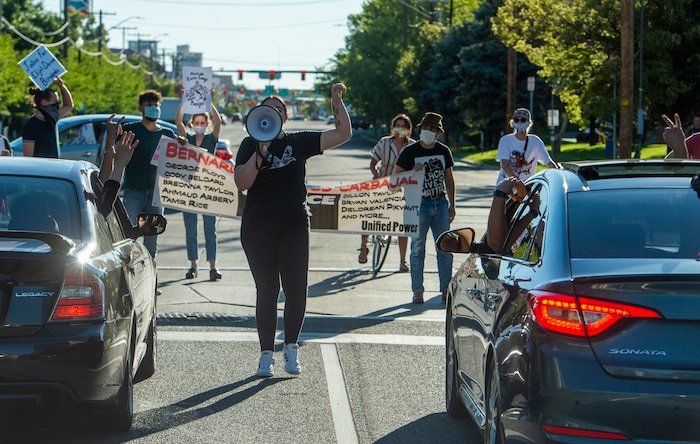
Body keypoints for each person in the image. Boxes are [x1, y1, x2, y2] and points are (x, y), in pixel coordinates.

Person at [234, 83, 352, 378]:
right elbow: (241, 183)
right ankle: (265, 355)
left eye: (277, 109)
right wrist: (259, 152)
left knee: (296, 288)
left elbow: (342, 134)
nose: (271, 112)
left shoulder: (299, 142)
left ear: (284, 117)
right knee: (268, 290)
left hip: (294, 223)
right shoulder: (249, 145)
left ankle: (291, 347)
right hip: (258, 226)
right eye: (266, 108)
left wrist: (336, 101)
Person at [393, 112, 456, 305]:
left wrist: (452, 205)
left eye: (432, 129)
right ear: (420, 130)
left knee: (445, 248)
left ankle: (446, 289)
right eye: (425, 128)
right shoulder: (410, 152)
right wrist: (413, 171)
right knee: (417, 249)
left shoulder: (443, 150)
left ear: (438, 132)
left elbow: (449, 178)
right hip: (419, 204)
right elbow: (395, 178)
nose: (428, 132)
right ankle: (417, 291)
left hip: (440, 203)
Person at [120, 89, 178, 260]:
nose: (153, 108)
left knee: (152, 240)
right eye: (149, 105)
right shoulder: (130, 130)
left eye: (156, 105)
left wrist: (181, 144)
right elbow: (117, 151)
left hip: (156, 194)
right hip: (133, 193)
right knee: (129, 237)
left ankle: (151, 283)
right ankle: (129, 280)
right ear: (140, 108)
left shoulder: (166, 134)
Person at [175, 88, 223, 281]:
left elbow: (218, 121)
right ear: (192, 124)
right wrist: (182, 100)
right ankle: (193, 265)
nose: (200, 125)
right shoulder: (188, 139)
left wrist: (209, 101)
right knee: (191, 229)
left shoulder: (212, 139)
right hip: (189, 189)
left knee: (210, 229)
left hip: (208, 188)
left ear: (207, 124)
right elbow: (178, 122)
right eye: (197, 123)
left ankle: (213, 266)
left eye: (203, 123)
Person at [358, 113, 415, 272]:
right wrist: (375, 175)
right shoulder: (384, 143)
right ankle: (364, 246)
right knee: (369, 216)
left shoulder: (412, 146)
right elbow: (373, 162)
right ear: (392, 127)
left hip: (402, 189)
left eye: (403, 126)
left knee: (402, 225)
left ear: (409, 129)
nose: (400, 129)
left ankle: (403, 261)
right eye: (397, 125)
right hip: (382, 184)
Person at [495, 108, 558, 183]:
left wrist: (558, 175)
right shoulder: (506, 140)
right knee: (500, 193)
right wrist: (518, 182)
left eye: (523, 120)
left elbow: (549, 163)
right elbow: (504, 165)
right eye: (516, 120)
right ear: (512, 122)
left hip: (527, 185)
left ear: (529, 122)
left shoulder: (535, 141)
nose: (520, 122)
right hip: (507, 183)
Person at [21, 77, 73, 158]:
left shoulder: (52, 118)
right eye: (55, 102)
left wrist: (61, 86)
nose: (57, 106)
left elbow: (68, 105)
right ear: (44, 102)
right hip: (40, 168)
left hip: (54, 166)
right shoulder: (31, 125)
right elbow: (28, 157)